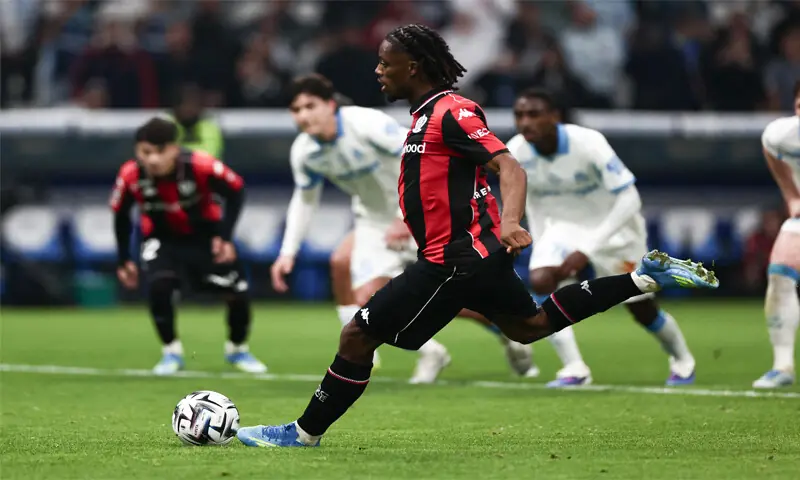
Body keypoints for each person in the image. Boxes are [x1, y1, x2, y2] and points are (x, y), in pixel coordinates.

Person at [237, 24, 718, 448]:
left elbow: (509, 165)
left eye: (387, 63)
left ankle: (302, 434)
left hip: (454, 258)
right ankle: (643, 280)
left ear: (416, 65)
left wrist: (510, 222)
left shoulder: (452, 111)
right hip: (472, 256)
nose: (379, 70)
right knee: (527, 326)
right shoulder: (423, 115)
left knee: (358, 334)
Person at [505, 88, 697, 387]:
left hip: (614, 229)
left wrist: (587, 250)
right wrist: (541, 242)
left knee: (640, 307)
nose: (525, 122)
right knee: (542, 280)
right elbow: (535, 202)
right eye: (519, 115)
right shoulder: (516, 150)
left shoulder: (588, 142)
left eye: (534, 114)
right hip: (564, 228)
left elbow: (630, 198)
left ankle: (683, 360)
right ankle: (574, 368)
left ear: (554, 117)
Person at [270, 74, 451, 384]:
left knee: (458, 294)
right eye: (296, 109)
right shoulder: (304, 152)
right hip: (374, 223)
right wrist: (287, 252)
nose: (303, 115)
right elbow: (304, 201)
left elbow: (422, 155)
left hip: (424, 209)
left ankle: (507, 336)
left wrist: (402, 214)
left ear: (330, 105)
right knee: (369, 297)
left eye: (310, 106)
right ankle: (428, 350)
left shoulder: (366, 124)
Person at [110, 118, 266, 376]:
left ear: (174, 148)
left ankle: (237, 349)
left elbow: (236, 191)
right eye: (146, 152)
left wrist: (225, 238)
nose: (153, 159)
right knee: (160, 287)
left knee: (237, 292)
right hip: (162, 239)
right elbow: (121, 215)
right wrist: (123, 259)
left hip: (205, 237)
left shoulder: (200, 165)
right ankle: (171, 352)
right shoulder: (130, 175)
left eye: (160, 151)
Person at [753, 80, 800, 389]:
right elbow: (770, 148)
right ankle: (782, 366)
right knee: (780, 275)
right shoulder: (782, 133)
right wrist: (791, 195)